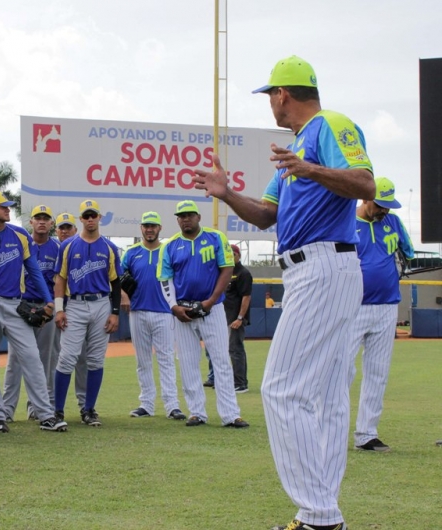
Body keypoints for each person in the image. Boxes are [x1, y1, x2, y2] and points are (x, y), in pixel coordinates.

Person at [194, 55, 375, 530]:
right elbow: (266, 215)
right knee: (328, 395)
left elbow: (365, 183)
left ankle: (318, 514)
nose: (270, 103)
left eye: (270, 95)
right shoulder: (295, 150)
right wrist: (227, 194)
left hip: (324, 265)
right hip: (313, 270)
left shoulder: (328, 125)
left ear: (282, 94)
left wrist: (309, 168)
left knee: (280, 389)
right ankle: (323, 514)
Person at [0, 191, 67, 433]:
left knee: (31, 356)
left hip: (15, 303)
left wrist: (48, 300)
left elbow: (34, 270)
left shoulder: (19, 235)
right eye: (3, 206)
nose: (8, 209)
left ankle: (45, 414)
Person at [156, 200, 247, 429]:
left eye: (189, 215)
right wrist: (173, 306)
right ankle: (196, 412)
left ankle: (230, 414)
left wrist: (211, 300)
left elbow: (226, 268)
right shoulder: (170, 245)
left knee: (221, 360)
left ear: (198, 217)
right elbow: (165, 279)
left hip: (212, 309)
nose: (185, 219)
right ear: (177, 219)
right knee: (188, 363)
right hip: (183, 311)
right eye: (181, 216)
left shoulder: (216, 237)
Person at [348, 177, 413, 452]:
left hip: (387, 306)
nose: (384, 209)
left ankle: (367, 434)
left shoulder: (393, 222)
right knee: (341, 370)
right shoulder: (345, 221)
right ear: (365, 198)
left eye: (388, 205)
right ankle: (329, 428)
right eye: (380, 204)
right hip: (352, 307)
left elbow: (407, 251)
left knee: (378, 372)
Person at [52, 200, 122, 427]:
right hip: (75, 304)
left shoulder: (109, 247)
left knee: (95, 359)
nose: (90, 219)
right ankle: (58, 411)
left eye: (93, 215)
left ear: (99, 217)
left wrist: (115, 312)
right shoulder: (68, 246)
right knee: (67, 358)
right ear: (80, 219)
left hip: (101, 302)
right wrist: (60, 309)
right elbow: (60, 279)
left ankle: (89, 409)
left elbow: (116, 283)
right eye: (86, 215)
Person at [121, 211, 185, 420]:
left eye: (153, 226)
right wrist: (124, 296)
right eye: (146, 226)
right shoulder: (131, 253)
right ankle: (146, 404)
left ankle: (172, 405)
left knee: (166, 359)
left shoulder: (168, 250)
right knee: (143, 361)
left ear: (159, 228)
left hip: (164, 312)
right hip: (137, 311)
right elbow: (117, 277)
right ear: (141, 228)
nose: (149, 229)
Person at [3, 205, 60, 421]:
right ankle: (7, 409)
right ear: (31, 222)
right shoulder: (20, 244)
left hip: (47, 308)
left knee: (46, 360)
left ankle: (38, 408)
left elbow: (60, 282)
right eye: (38, 218)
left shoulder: (57, 248)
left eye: (46, 218)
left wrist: (54, 307)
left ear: (51, 223)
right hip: (22, 306)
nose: (42, 221)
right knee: (15, 361)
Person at [54, 212, 88, 411]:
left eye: (68, 227)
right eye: (62, 228)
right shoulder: (52, 248)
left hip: (76, 307)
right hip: (54, 308)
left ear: (75, 229)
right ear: (56, 230)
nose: (65, 231)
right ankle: (49, 403)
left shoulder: (82, 247)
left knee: (81, 357)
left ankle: (84, 403)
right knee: (53, 358)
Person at [225, 244, 253, 393]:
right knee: (227, 350)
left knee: (236, 349)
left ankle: (241, 383)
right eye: (228, 254)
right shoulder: (226, 271)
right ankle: (229, 381)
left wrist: (240, 318)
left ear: (239, 255)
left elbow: (246, 297)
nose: (230, 256)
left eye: (233, 254)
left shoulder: (243, 273)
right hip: (225, 317)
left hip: (235, 318)